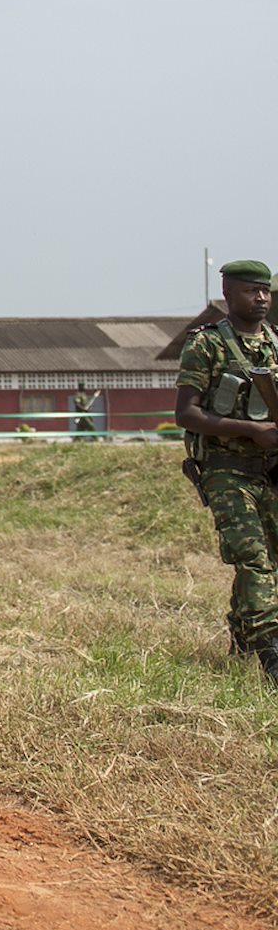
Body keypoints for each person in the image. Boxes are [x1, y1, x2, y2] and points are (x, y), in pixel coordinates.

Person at [174, 260, 278, 679]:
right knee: (252, 557)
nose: (261, 298)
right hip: (225, 470)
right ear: (228, 294)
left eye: (265, 290)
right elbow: (186, 413)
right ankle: (269, 649)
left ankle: (242, 637)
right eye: (251, 290)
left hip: (270, 469)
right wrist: (250, 430)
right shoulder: (207, 344)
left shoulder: (274, 343)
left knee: (269, 560)